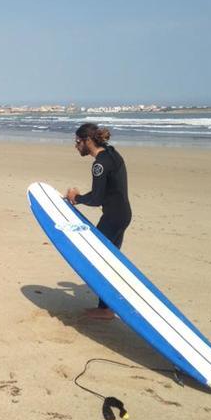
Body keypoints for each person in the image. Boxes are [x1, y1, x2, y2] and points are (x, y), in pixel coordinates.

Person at [66, 123, 132, 320]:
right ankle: (106, 307)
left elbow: (97, 199)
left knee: (98, 261)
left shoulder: (99, 164)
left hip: (113, 218)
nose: (76, 146)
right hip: (123, 215)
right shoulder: (112, 153)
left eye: (78, 142)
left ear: (88, 141)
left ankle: (105, 309)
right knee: (109, 261)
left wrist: (75, 197)